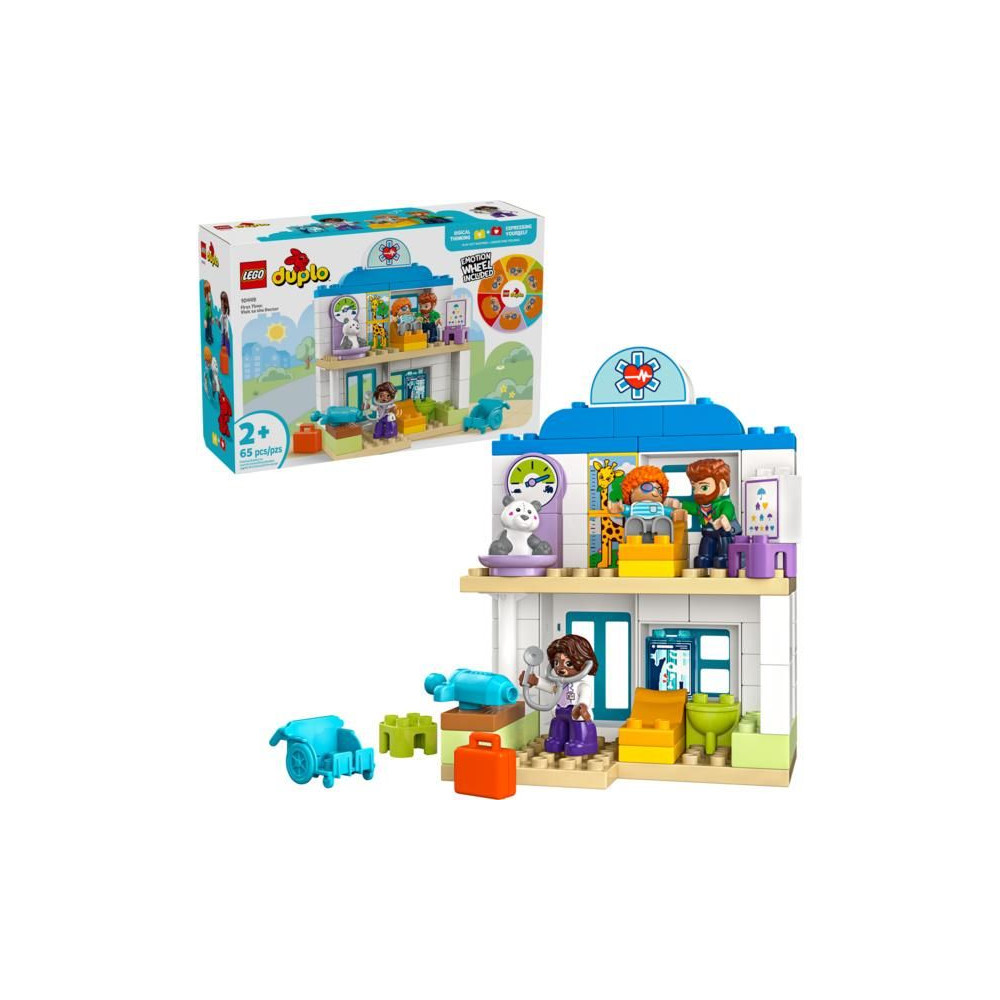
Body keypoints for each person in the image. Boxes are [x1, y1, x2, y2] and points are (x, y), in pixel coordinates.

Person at [520, 634, 599, 756]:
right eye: (557, 663)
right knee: (557, 724)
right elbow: (550, 687)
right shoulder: (560, 683)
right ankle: (557, 740)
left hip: (575, 713)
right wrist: (534, 681)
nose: (560, 668)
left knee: (578, 726)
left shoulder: (582, 685)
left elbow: (585, 697)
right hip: (560, 711)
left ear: (583, 665)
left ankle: (581, 742)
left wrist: (582, 706)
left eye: (568, 663)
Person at [667, 458, 738, 569]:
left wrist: (723, 518)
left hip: (723, 533)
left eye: (704, 487)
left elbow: (728, 511)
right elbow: (691, 507)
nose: (697, 492)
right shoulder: (701, 507)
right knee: (706, 546)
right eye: (694, 488)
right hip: (708, 533)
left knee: (724, 545)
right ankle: (705, 557)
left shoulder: (724, 503)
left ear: (722, 486)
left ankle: (724, 557)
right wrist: (678, 504)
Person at [606, 465, 672, 542]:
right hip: (636, 539)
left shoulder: (659, 507)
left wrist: (674, 513)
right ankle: (633, 539)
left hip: (659, 539)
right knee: (634, 522)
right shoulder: (634, 507)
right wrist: (620, 509)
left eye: (659, 490)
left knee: (662, 521)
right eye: (647, 487)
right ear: (631, 489)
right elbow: (626, 509)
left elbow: (669, 512)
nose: (655, 493)